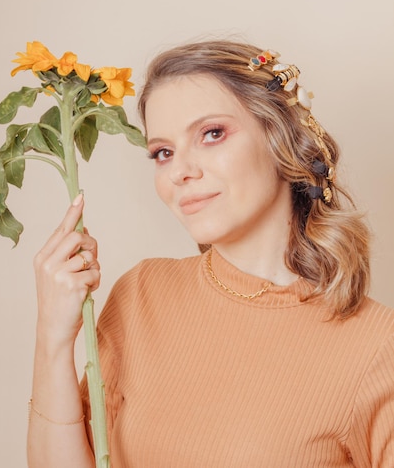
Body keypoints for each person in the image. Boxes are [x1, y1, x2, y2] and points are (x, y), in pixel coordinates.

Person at [27, 40, 394, 467]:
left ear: (280, 137)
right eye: (163, 152)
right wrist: (52, 336)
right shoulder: (141, 295)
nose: (181, 171)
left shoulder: (378, 346)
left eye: (212, 134)